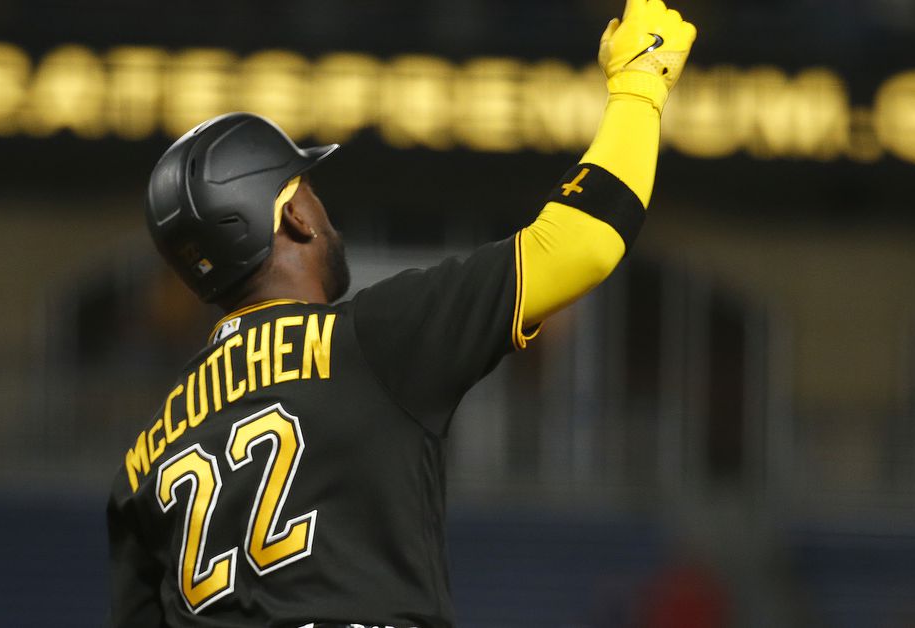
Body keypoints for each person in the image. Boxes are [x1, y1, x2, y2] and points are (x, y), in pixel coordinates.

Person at [106, 1, 696, 626]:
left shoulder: (142, 461)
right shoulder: (365, 343)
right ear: (294, 216)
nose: (322, 209)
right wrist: (639, 87)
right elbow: (580, 243)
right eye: (309, 190)